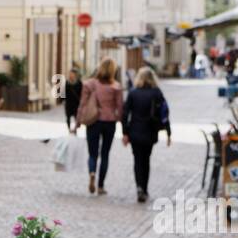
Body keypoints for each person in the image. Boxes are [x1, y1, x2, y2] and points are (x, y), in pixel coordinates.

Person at [121, 66, 172, 204]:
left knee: (137, 160)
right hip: (150, 132)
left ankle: (139, 187)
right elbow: (165, 113)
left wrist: (124, 133)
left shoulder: (133, 93)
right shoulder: (156, 93)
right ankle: (144, 188)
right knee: (146, 160)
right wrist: (168, 132)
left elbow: (125, 114)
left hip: (135, 132)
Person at [80, 58, 124, 195]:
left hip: (93, 121)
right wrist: (119, 121)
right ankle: (100, 186)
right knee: (105, 154)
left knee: (92, 153)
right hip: (109, 123)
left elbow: (82, 105)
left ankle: (92, 172)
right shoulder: (116, 86)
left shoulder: (89, 84)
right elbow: (120, 108)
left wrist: (77, 123)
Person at [63, 68, 82, 132]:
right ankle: (69, 129)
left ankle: (75, 129)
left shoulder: (79, 83)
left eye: (72, 74)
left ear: (75, 75)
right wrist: (63, 100)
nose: (71, 75)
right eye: (70, 74)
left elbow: (81, 93)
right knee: (68, 117)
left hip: (76, 103)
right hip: (68, 103)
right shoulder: (67, 82)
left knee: (76, 117)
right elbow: (64, 92)